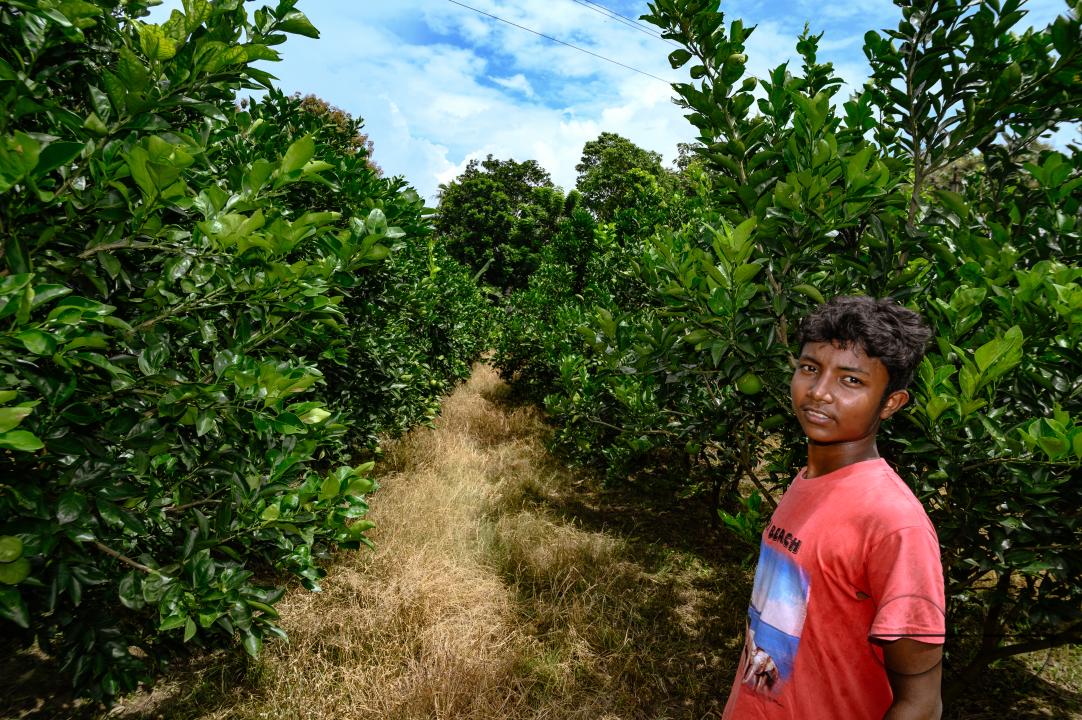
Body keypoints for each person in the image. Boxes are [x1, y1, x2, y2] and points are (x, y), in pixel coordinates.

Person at [722, 295, 946, 720]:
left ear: (891, 403)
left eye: (851, 381)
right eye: (810, 368)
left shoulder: (895, 523)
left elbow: (921, 704)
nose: (819, 392)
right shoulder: (808, 480)